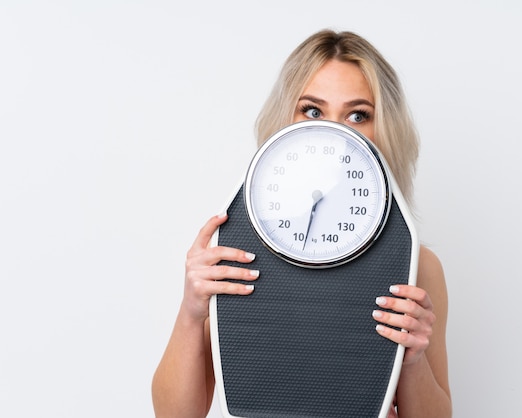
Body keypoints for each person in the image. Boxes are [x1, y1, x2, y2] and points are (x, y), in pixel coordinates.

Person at [152, 29, 452, 418]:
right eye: (312, 110)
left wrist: (412, 360)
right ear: (285, 119)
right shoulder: (238, 249)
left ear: (385, 129)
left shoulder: (415, 264)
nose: (332, 131)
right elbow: (174, 415)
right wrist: (191, 311)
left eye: (358, 115)